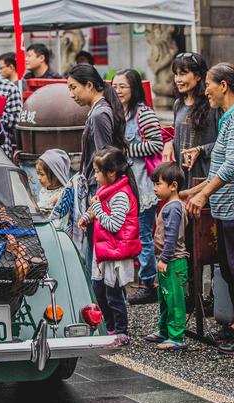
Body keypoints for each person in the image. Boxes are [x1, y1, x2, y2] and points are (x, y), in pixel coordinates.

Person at [182, 62, 234, 354]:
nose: (206, 90)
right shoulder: (228, 117)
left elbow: (233, 165)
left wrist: (204, 194)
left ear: (223, 86)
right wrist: (194, 190)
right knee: (230, 268)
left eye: (208, 84)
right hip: (227, 205)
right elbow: (221, 163)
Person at [78, 148, 142, 345]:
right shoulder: (106, 190)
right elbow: (99, 210)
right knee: (99, 291)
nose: (95, 175)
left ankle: (121, 331)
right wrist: (88, 217)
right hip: (105, 250)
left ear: (112, 173)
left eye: (98, 171)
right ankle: (110, 325)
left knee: (113, 295)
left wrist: (95, 208)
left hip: (116, 253)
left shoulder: (121, 195)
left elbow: (114, 224)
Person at [67, 64, 127, 271]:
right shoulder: (98, 111)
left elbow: (105, 158)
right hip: (97, 188)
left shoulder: (99, 114)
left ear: (89, 85)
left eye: (73, 88)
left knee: (95, 251)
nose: (71, 94)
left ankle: (95, 298)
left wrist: (99, 198)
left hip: (99, 189)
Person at [111, 69, 163, 304]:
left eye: (122, 86)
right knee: (132, 233)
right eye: (115, 86)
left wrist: (126, 151)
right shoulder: (116, 113)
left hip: (143, 184)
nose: (118, 91)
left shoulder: (144, 114)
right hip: (126, 186)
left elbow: (156, 144)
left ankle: (148, 282)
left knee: (143, 235)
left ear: (134, 89)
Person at [145, 163, 189, 350]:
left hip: (173, 261)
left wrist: (164, 258)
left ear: (173, 185)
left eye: (158, 184)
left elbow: (171, 236)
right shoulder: (170, 206)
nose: (155, 188)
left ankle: (176, 336)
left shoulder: (173, 207)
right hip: (167, 261)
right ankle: (164, 330)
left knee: (174, 300)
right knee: (164, 298)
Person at [165, 52, 220, 189]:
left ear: (198, 76)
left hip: (206, 178)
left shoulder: (212, 105)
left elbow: (225, 142)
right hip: (182, 177)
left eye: (183, 73)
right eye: (176, 74)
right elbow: (179, 135)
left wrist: (201, 150)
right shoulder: (178, 104)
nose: (178, 79)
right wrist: (170, 143)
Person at [35, 148, 71, 214]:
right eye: (38, 174)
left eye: (42, 174)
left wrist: (60, 200)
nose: (39, 178)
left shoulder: (63, 193)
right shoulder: (44, 190)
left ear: (55, 175)